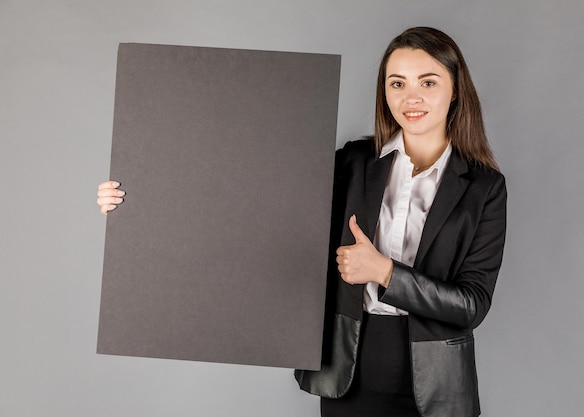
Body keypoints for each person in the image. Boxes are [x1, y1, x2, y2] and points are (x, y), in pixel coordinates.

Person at [97, 27, 506, 417]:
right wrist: (137, 198)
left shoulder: (484, 188)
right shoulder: (354, 163)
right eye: (397, 83)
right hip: (349, 370)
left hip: (438, 390)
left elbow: (471, 305)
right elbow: (250, 201)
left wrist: (383, 272)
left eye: (428, 82)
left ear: (455, 90)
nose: (410, 97)